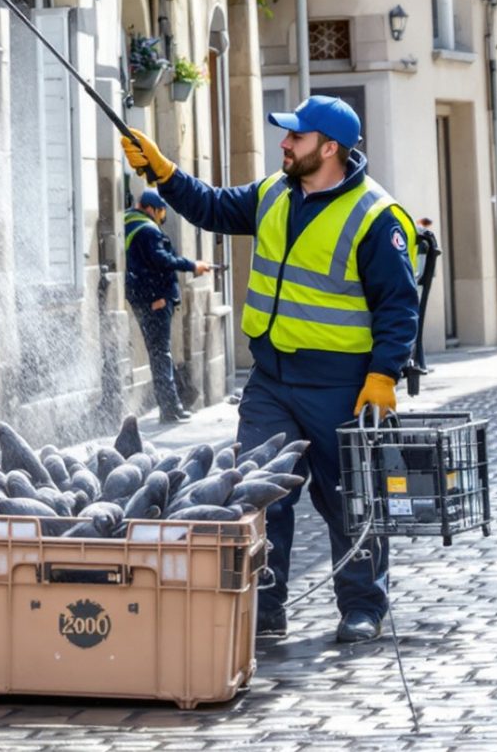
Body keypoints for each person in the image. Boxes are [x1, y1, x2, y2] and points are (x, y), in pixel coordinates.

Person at [121, 94, 417, 644]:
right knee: (257, 494)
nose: (284, 143)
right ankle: (264, 606)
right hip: (271, 380)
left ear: (329, 149)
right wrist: (162, 172)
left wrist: (384, 374)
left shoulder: (376, 217)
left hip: (341, 385)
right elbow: (209, 206)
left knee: (349, 496)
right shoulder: (272, 192)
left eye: (296, 137)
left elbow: (399, 306)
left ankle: (363, 606)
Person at [123, 189, 214, 421]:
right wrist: (192, 265)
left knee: (159, 353)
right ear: (151, 208)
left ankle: (172, 403)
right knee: (161, 353)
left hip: (143, 298)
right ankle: (170, 408)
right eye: (161, 210)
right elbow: (161, 261)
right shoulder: (148, 231)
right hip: (155, 299)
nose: (162, 216)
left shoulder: (128, 223)